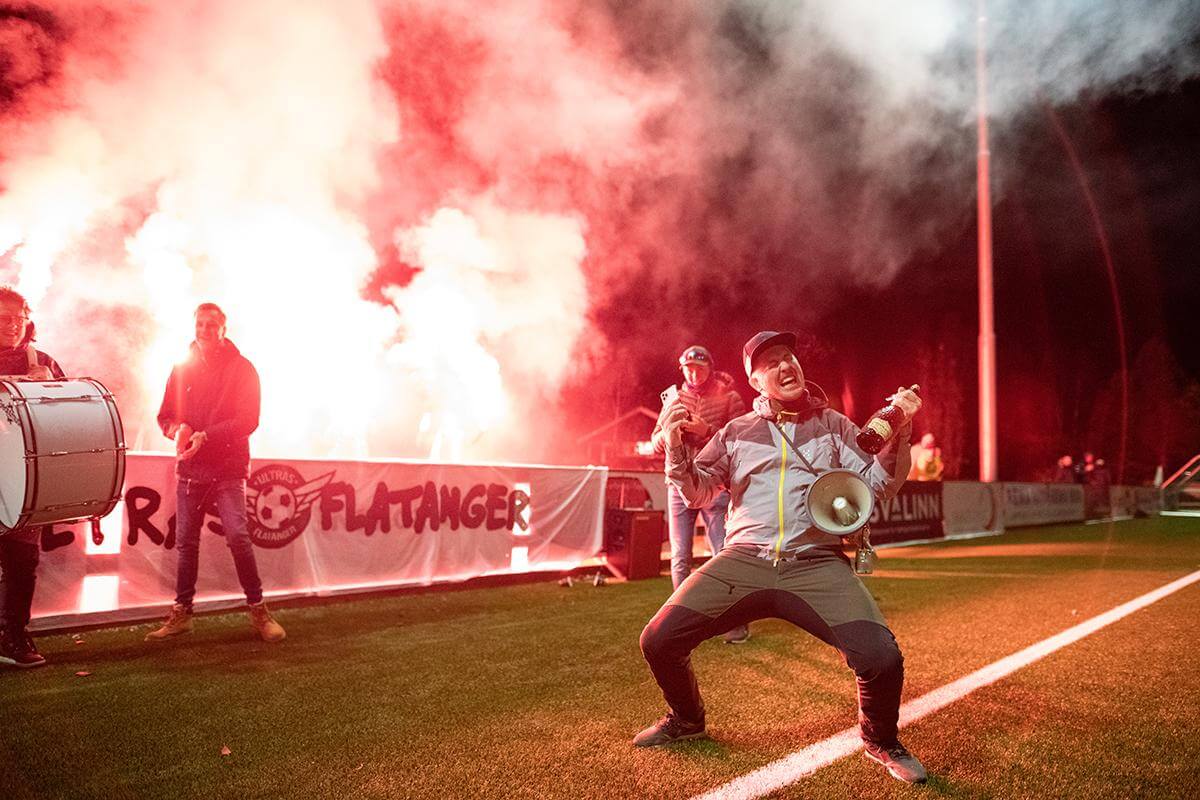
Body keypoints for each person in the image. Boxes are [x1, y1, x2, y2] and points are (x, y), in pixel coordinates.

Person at [635, 331, 927, 785]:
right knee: (658, 640)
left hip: (816, 561)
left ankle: (880, 740)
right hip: (744, 559)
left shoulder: (834, 425)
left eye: (789, 357)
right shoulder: (736, 432)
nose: (785, 365)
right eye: (771, 363)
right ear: (756, 382)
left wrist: (901, 427)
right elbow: (697, 490)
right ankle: (687, 720)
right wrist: (674, 445)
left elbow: (878, 484)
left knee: (881, 656)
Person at [146, 303, 285, 643]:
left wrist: (206, 435)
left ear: (224, 329)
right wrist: (176, 430)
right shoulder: (181, 368)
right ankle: (182, 613)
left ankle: (258, 609)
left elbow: (248, 420)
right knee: (186, 543)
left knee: (237, 535)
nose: (204, 329)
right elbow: (165, 416)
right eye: (200, 323)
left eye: (211, 324)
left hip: (227, 468)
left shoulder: (242, 368)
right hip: (191, 468)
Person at [651, 346, 748, 642]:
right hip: (678, 485)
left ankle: (734, 621)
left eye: (699, 368)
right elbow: (654, 441)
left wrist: (707, 431)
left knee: (722, 552)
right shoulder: (674, 400)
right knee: (680, 555)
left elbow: (743, 439)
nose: (693, 373)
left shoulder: (729, 397)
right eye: (688, 368)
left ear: (710, 368)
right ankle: (682, 624)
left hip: (714, 484)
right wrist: (669, 436)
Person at [0, 286, 65, 668]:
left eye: (18, 319)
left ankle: (14, 636)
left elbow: (69, 418)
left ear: (29, 321)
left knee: (22, 563)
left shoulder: (42, 360)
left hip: (23, 479)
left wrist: (49, 388)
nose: (11, 326)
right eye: (3, 318)